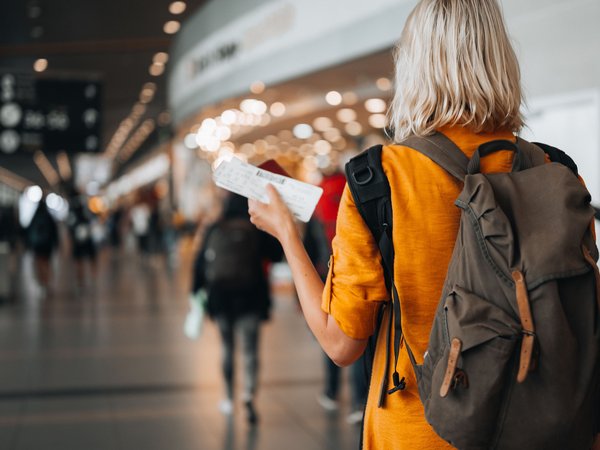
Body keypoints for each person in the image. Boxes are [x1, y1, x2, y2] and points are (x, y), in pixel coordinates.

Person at [248, 1, 600, 448]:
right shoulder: (556, 173)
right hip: (548, 430)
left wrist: (287, 235)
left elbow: (342, 344)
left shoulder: (378, 178)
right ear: (500, 58)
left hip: (419, 433)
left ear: (414, 65)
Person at [192, 193, 282, 425]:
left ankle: (228, 398)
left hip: (221, 298)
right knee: (250, 351)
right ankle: (248, 396)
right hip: (251, 297)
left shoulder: (215, 227)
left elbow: (200, 263)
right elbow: (277, 254)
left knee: (227, 347)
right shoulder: (255, 229)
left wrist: (196, 291)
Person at [303, 171, 367, 424]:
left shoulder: (317, 196)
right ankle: (358, 401)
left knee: (330, 334)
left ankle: (331, 392)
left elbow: (309, 243)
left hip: (324, 275)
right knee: (356, 337)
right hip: (354, 271)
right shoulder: (356, 188)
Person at [26, 198, 59, 296]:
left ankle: (41, 282)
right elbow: (54, 232)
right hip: (47, 245)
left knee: (39, 263)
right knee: (46, 263)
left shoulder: (35, 216)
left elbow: (29, 231)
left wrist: (28, 244)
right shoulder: (49, 217)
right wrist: (56, 243)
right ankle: (46, 281)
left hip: (37, 245)